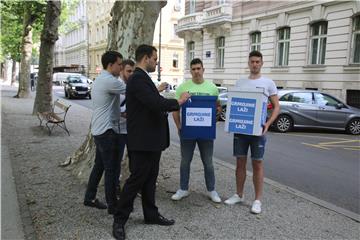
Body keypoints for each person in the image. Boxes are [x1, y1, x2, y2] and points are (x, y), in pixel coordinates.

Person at [112, 44, 190, 240]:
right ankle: (119, 220)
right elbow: (155, 104)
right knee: (136, 180)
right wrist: (178, 102)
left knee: (150, 179)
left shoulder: (142, 79)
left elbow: (151, 105)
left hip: (151, 141)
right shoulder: (137, 79)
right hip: (142, 141)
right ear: (146, 58)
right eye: (155, 59)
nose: (156, 63)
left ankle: (151, 214)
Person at [224, 50, 280, 214]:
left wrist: (268, 124)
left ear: (262, 63)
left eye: (257, 61)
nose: (254, 64)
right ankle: (239, 194)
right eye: (252, 61)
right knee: (240, 163)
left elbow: (277, 106)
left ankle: (257, 200)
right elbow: (235, 104)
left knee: (257, 163)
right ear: (248, 63)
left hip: (258, 131)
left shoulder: (268, 83)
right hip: (241, 130)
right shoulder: (240, 82)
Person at [171, 58, 222, 203]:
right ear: (190, 71)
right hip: (188, 132)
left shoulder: (212, 87)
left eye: (198, 68)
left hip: (206, 133)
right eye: (193, 69)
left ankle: (211, 190)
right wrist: (179, 126)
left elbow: (217, 107)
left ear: (203, 69)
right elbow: (175, 108)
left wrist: (215, 118)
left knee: (208, 162)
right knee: (185, 161)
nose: (196, 71)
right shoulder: (183, 87)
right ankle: (183, 189)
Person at [83, 51, 126, 215]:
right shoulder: (110, 80)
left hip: (100, 128)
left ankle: (90, 197)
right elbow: (133, 90)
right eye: (119, 64)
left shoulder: (102, 78)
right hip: (107, 131)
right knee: (112, 169)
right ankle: (113, 206)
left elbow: (107, 105)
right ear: (111, 65)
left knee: (100, 166)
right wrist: (156, 88)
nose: (121, 67)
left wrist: (120, 114)